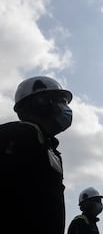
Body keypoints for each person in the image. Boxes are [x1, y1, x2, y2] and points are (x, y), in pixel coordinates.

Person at [0, 76, 73, 234]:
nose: (66, 109)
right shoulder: (14, 136)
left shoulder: (50, 149)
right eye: (61, 101)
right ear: (42, 103)